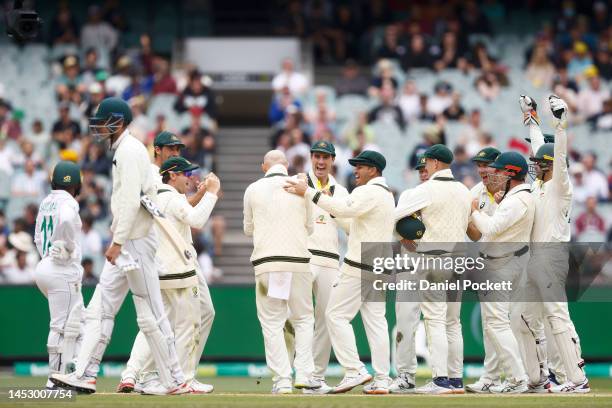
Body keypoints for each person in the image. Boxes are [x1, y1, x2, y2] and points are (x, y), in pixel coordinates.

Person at [50, 98, 188, 396]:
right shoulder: (127, 149)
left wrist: (118, 241)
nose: (99, 126)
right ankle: (85, 374)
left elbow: (130, 200)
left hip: (134, 241)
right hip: (129, 241)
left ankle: (175, 379)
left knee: (152, 313)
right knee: (99, 309)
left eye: (103, 120)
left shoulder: (129, 151)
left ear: (118, 122)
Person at [285, 150, 396, 395]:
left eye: (360, 166)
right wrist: (330, 207)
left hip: (360, 265)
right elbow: (351, 222)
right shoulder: (387, 195)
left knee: (334, 315)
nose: (355, 170)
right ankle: (382, 379)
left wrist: (310, 193)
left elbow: (344, 211)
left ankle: (354, 369)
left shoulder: (367, 191)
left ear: (373, 170)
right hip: (380, 266)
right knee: (376, 321)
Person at [117, 130, 212, 393]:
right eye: (171, 149)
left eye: (178, 149)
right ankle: (161, 375)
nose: (176, 153)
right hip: (167, 257)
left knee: (182, 316)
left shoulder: (174, 179)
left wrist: (199, 196)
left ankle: (146, 374)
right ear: (157, 150)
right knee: (165, 320)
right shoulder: (149, 172)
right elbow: (165, 211)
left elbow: (176, 212)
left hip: (180, 253)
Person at [519, 94, 590, 393]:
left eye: (538, 163)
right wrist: (531, 116)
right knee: (522, 317)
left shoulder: (561, 186)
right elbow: (540, 149)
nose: (533, 166)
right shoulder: (539, 184)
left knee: (558, 317)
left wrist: (559, 124)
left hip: (552, 257)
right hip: (534, 259)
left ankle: (577, 379)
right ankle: (539, 378)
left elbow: (556, 157)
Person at [394, 144, 472, 394]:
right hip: (459, 260)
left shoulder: (426, 190)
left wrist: (403, 234)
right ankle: (457, 379)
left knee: (435, 320)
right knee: (453, 322)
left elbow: (395, 217)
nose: (424, 167)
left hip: (433, 259)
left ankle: (440, 380)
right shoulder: (463, 190)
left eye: (427, 162)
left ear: (436, 164)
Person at [243, 150, 317, 394]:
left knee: (272, 323)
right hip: (297, 261)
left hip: (268, 263)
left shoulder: (252, 189)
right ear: (285, 166)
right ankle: (304, 373)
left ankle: (282, 380)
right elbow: (310, 228)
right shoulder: (301, 188)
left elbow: (247, 229)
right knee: (304, 319)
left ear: (264, 167)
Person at [285, 141, 350, 394]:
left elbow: (348, 226)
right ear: (311, 158)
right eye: (317, 157)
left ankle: (315, 377)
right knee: (296, 318)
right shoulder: (297, 182)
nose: (321, 162)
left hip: (330, 260)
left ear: (333, 160)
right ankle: (287, 372)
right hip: (302, 257)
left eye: (325, 157)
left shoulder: (341, 191)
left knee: (326, 319)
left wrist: (333, 208)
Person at [470, 151, 534, 393]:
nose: (492, 174)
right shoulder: (517, 197)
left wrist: (475, 210)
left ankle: (517, 378)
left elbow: (491, 228)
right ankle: (495, 378)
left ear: (510, 173)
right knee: (495, 324)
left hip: (500, 265)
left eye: (497, 170)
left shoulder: (517, 200)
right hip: (510, 261)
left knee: (497, 324)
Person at [33, 161, 84, 390]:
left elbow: (36, 236)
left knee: (76, 324)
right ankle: (55, 378)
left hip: (44, 266)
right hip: (61, 269)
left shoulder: (46, 201)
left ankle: (73, 373)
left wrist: (47, 253)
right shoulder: (68, 202)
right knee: (64, 326)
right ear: (76, 183)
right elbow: (64, 220)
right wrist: (68, 246)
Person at [464, 146, 508, 393]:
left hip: (513, 262)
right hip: (487, 264)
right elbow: (476, 235)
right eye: (478, 165)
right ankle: (491, 377)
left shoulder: (513, 189)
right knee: (491, 323)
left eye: (487, 164)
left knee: (514, 324)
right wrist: (467, 219)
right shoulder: (475, 193)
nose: (481, 169)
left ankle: (535, 375)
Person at [390, 155, 428, 394]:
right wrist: (400, 234)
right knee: (405, 320)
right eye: (420, 170)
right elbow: (391, 221)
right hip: (409, 264)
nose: (423, 173)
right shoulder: (409, 195)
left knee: (444, 322)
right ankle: (405, 374)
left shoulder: (446, 196)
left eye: (426, 168)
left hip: (438, 265)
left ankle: (448, 375)